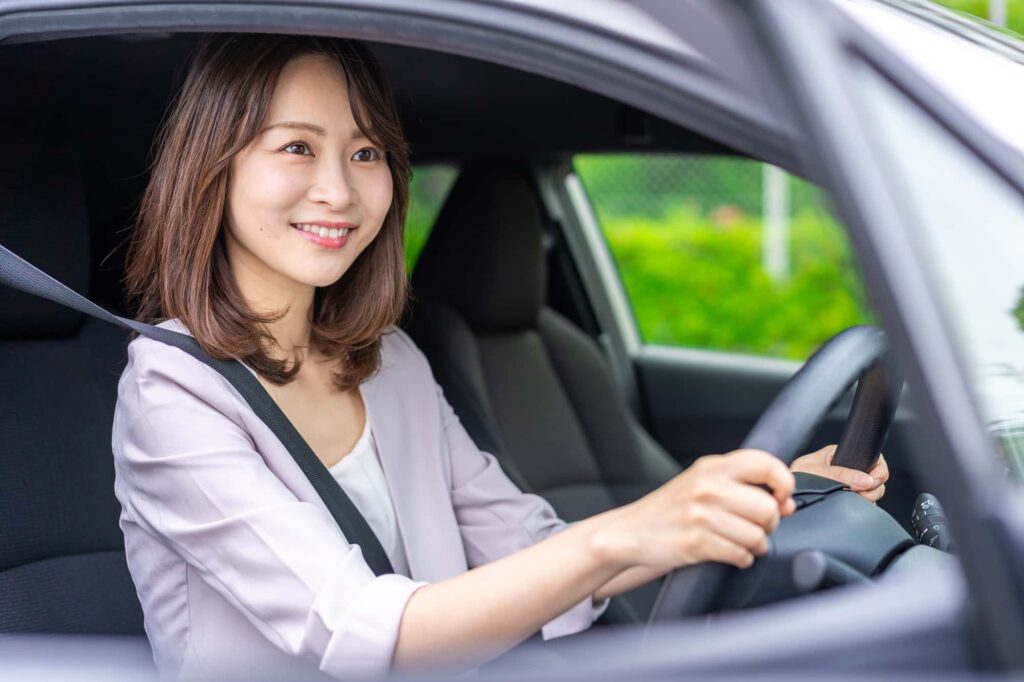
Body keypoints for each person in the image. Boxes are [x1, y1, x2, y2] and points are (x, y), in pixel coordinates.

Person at [111, 32, 889, 681]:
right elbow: (361, 636)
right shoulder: (172, 393)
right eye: (296, 147)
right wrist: (633, 529)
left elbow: (534, 555)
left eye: (366, 152)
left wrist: (769, 494)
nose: (339, 192)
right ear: (213, 168)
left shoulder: (390, 360)